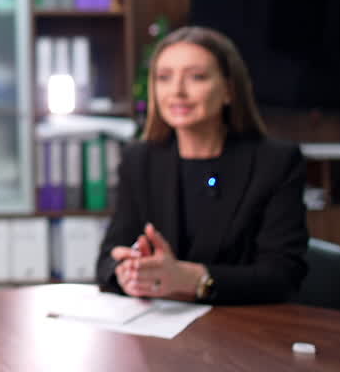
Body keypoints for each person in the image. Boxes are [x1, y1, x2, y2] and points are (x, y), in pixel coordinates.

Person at [95, 26, 309, 304]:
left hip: (244, 329)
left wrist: (193, 278)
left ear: (229, 90)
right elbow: (108, 258)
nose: (177, 91)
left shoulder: (276, 162)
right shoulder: (140, 160)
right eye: (164, 77)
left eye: (196, 77)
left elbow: (283, 276)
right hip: (160, 326)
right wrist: (127, 272)